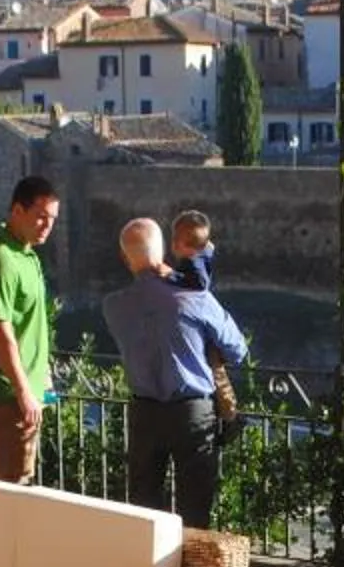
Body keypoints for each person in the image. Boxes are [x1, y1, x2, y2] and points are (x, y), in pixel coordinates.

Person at [100, 216, 249, 528]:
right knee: (194, 512)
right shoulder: (194, 299)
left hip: (143, 414)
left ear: (125, 258)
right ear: (164, 251)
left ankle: (147, 560)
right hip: (192, 414)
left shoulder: (113, 307)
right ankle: (189, 560)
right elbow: (237, 349)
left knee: (144, 514)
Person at [0, 175, 60, 484]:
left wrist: (41, 376)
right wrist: (23, 390)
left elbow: (28, 324)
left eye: (52, 219)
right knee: (5, 485)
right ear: (17, 210)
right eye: (41, 216)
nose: (47, 225)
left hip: (26, 392)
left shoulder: (26, 255)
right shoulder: (0, 260)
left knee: (15, 480)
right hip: (9, 396)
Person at [168, 209, 240, 429]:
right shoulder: (201, 259)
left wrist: (170, 276)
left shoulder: (192, 271)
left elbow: (198, 284)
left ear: (177, 244)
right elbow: (237, 349)